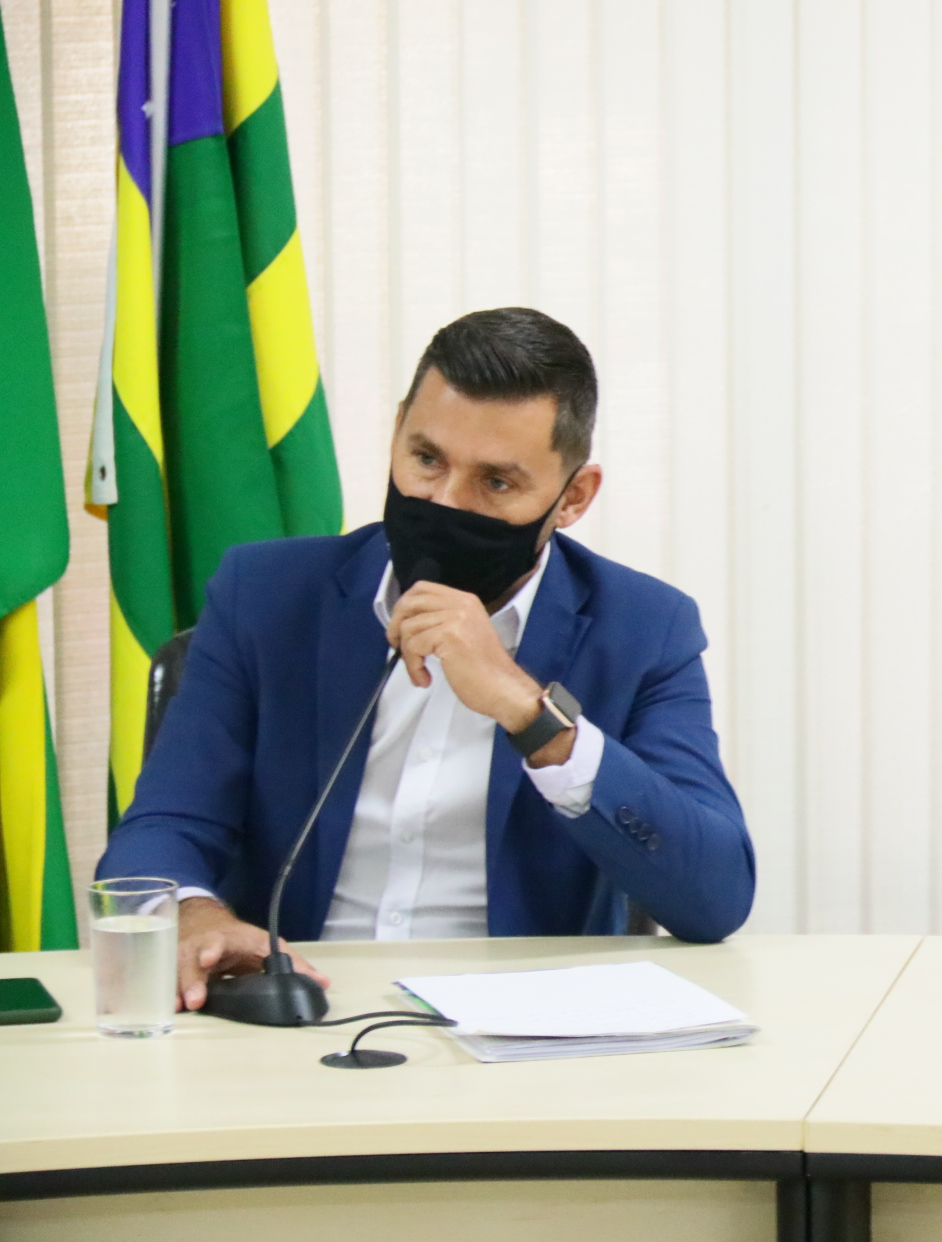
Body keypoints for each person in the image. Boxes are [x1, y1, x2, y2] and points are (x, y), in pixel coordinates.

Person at [98, 307, 755, 1010]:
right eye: (426, 459)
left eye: (496, 483)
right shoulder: (264, 596)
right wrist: (196, 918)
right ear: (396, 435)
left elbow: (715, 896)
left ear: (573, 498)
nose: (444, 501)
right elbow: (161, 829)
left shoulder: (644, 628)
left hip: (524, 1023)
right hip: (298, 1003)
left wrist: (531, 714)